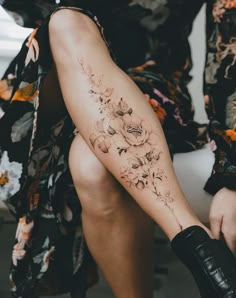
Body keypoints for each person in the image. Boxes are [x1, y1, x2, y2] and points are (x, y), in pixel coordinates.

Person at [0, 1, 236, 298]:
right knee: (66, 22)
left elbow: (230, 44)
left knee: (92, 165)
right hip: (53, 76)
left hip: (149, 82)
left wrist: (232, 173)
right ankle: (197, 245)